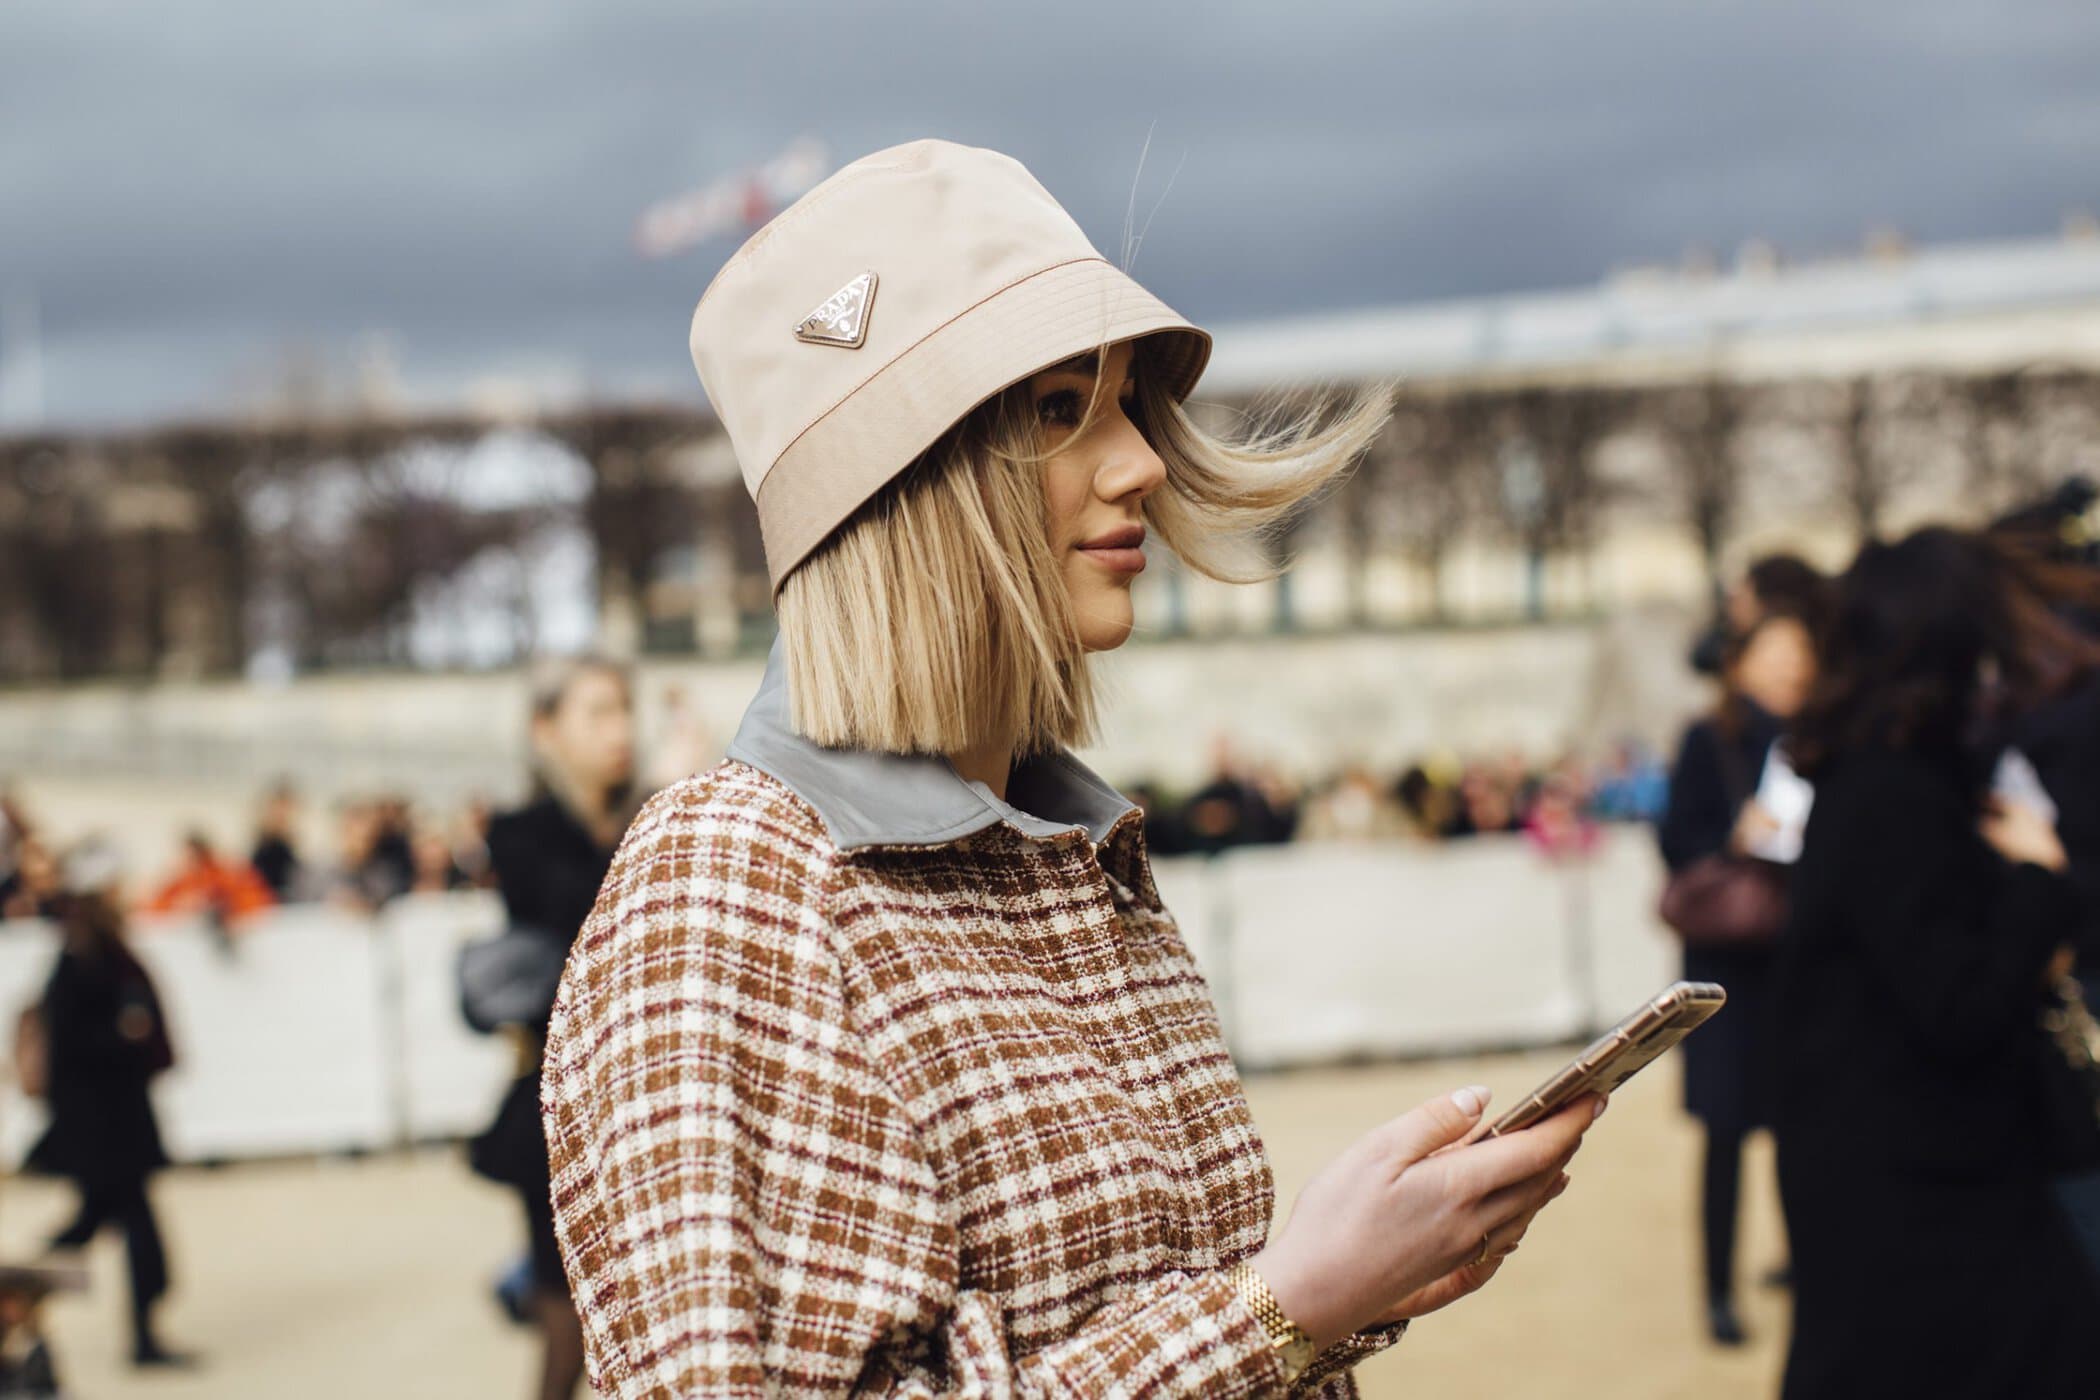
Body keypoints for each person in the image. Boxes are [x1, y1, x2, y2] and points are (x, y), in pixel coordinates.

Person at [540, 139, 1602, 1399]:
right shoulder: (726, 886)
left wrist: (1340, 1296)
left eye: (1123, 404)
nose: (1145, 461)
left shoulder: (1072, 852)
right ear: (906, 487)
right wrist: (1279, 1307)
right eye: (1058, 409)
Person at [1774, 527, 2100, 1398]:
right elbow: (1958, 1007)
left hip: (1901, 1185)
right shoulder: (1892, 793)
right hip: (1925, 1201)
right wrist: (2039, 881)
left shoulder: (1878, 776)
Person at [471, 656, 638, 1400]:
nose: (621, 731)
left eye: (624, 710)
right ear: (545, 731)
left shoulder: (643, 812)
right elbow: (582, 915)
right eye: (597, 713)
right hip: (558, 1103)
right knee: (568, 1321)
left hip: (636, 1097)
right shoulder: (522, 831)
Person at [1656, 606, 1820, 1345]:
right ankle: (1717, 1290)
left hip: (1797, 962)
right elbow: (1674, 841)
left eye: (1801, 654)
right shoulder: (1706, 738)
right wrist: (1737, 834)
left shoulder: (1819, 737)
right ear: (1743, 661)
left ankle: (1803, 1260)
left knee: (1803, 1126)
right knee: (1724, 1136)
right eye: (1779, 652)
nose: (1793, 667)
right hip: (1724, 973)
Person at [26, 842, 190, 1368]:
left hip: (112, 1122)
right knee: (134, 1232)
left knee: (91, 1224)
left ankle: (140, 1330)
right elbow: (73, 1040)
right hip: (102, 1127)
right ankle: (142, 1338)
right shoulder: (80, 959)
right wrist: (126, 1035)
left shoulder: (98, 952)